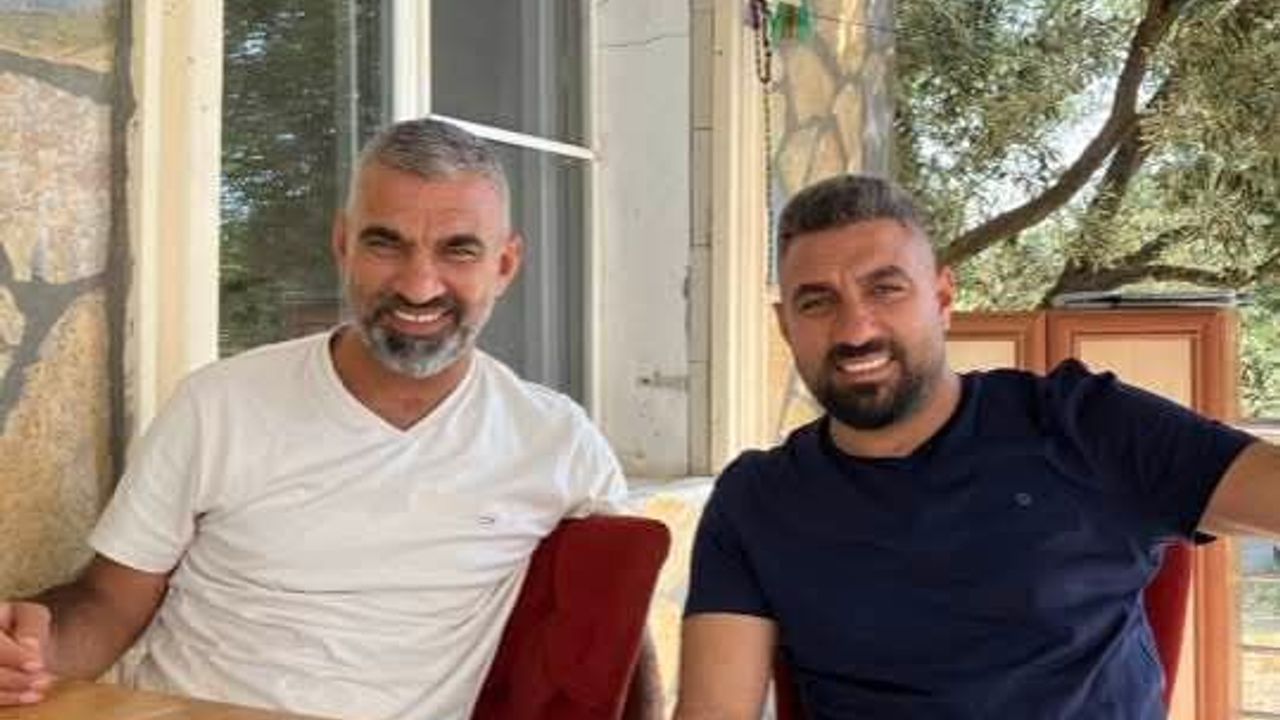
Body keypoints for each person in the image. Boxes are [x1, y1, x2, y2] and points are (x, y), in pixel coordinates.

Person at [0, 118, 658, 719]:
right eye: (386, 244)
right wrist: (31, 650)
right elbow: (109, 603)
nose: (419, 285)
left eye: (458, 250)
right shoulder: (218, 405)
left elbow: (622, 640)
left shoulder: (556, 443)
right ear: (343, 245)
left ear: (505, 264)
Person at [674, 174, 1280, 719]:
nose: (855, 329)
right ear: (786, 326)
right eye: (817, 302)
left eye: (886, 289)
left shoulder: (1083, 424)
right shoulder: (758, 499)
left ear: (942, 299)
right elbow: (714, 709)